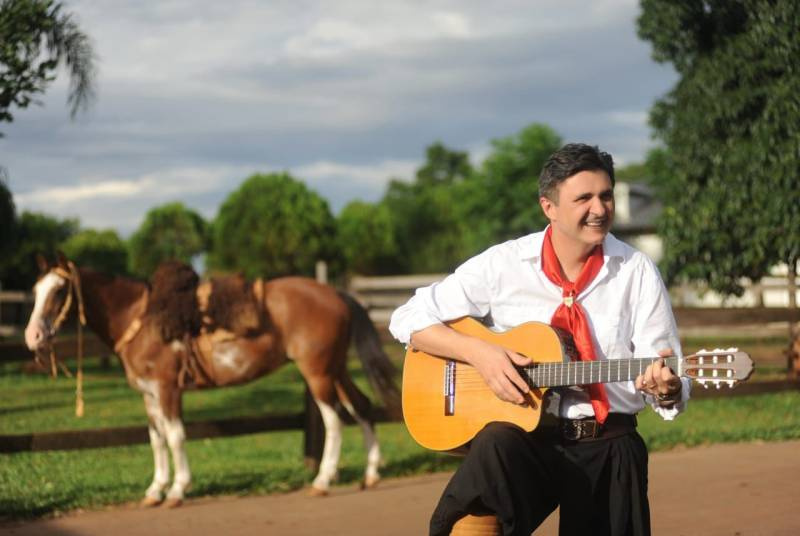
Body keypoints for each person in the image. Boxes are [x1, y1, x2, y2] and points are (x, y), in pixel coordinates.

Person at [389, 143, 690, 536]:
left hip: (607, 440)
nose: (599, 209)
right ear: (548, 206)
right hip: (523, 443)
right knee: (480, 488)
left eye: (606, 195)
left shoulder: (636, 270)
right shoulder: (504, 264)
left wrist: (665, 389)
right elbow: (407, 318)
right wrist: (480, 353)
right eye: (584, 198)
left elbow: (665, 370)